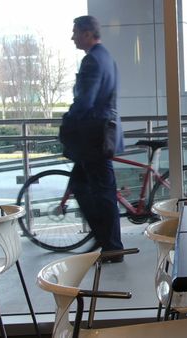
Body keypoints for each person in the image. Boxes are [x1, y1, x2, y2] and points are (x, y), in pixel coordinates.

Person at [65, 15, 124, 261]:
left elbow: (86, 101)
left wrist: (68, 118)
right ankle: (105, 240)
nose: (72, 37)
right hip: (101, 135)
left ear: (88, 33)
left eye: (75, 32)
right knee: (84, 186)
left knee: (101, 192)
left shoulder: (91, 61)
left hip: (93, 137)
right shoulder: (106, 57)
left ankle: (111, 245)